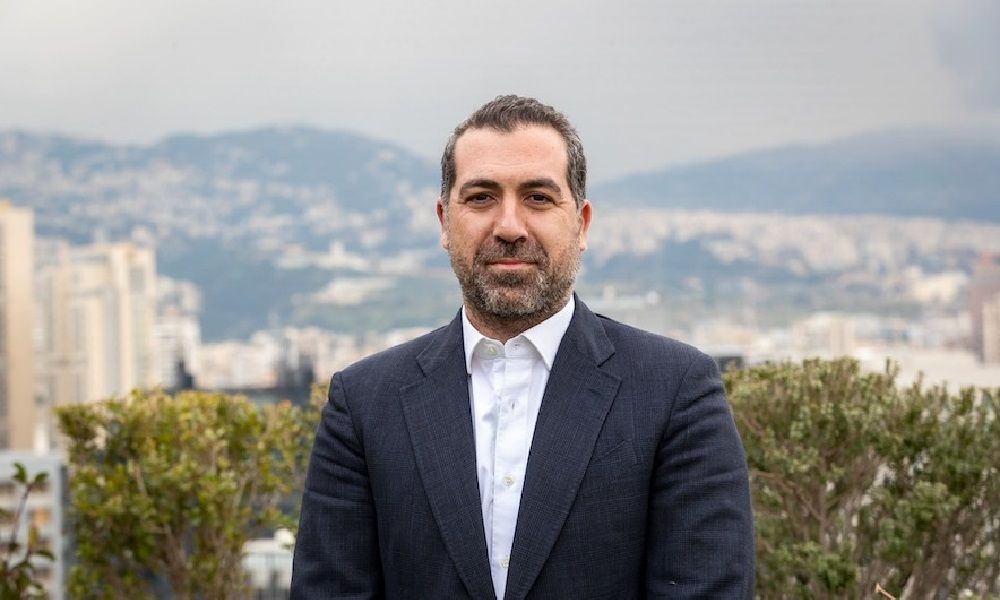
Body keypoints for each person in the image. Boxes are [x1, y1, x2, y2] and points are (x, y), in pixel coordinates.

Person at [291, 95, 754, 599]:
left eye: (537, 197)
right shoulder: (363, 403)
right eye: (481, 198)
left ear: (582, 223)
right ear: (444, 222)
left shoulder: (675, 391)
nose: (509, 227)